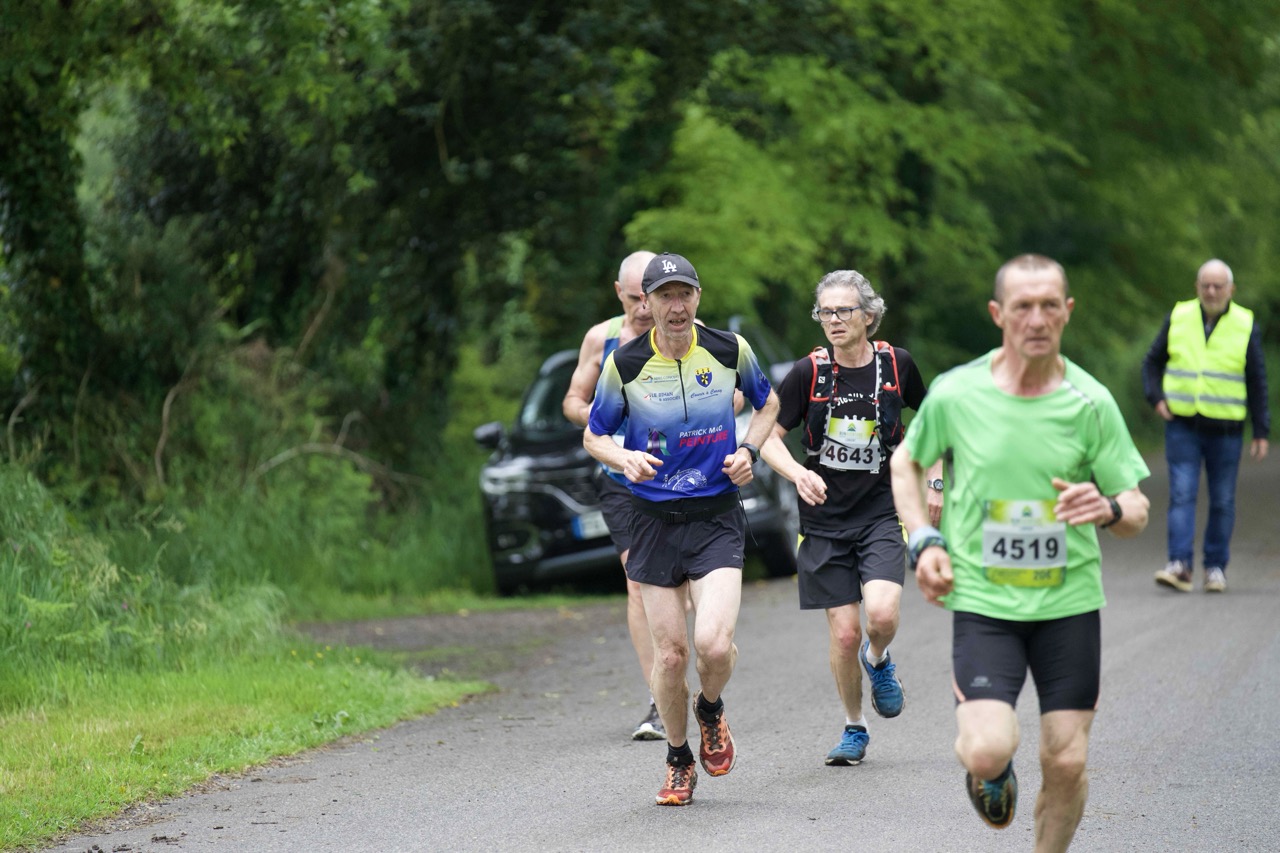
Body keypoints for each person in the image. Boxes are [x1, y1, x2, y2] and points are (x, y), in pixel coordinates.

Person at [889, 254, 1150, 850]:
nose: (1037, 319)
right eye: (1023, 306)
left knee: (1067, 761)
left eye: (1049, 305)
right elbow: (906, 463)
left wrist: (1108, 507)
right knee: (986, 749)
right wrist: (923, 538)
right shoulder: (957, 393)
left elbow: (1136, 508)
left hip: (1069, 604)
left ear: (1067, 311)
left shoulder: (1090, 402)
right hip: (986, 602)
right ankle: (990, 772)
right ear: (998, 314)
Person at [584, 252, 780, 807]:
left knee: (712, 645)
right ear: (645, 303)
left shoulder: (728, 349)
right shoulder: (624, 364)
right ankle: (677, 758)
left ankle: (710, 709)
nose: (676, 306)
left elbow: (768, 403)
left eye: (684, 293)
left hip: (715, 515)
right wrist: (623, 458)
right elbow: (594, 434)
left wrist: (749, 450)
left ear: (698, 297)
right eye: (664, 296)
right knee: (669, 657)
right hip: (651, 522)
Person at [759, 269, 942, 767]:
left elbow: (935, 424)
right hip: (823, 521)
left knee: (880, 616)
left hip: (881, 511)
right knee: (843, 634)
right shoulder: (808, 373)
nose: (834, 320)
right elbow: (767, 436)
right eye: (826, 312)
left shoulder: (897, 365)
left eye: (844, 310)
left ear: (869, 314)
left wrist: (935, 480)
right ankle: (854, 726)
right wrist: (798, 473)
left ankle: (877, 658)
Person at [563, 250, 667, 741]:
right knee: (638, 582)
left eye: (651, 297)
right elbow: (572, 400)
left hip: (680, 475)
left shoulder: (689, 331)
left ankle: (680, 671)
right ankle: (659, 699)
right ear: (618, 293)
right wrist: (602, 414)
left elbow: (734, 393)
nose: (645, 308)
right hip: (621, 479)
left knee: (679, 591)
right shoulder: (601, 339)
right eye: (634, 299)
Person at [1142, 259, 1270, 594]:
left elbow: (1256, 379)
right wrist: (1156, 397)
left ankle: (1215, 567)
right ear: (1197, 287)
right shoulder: (1179, 315)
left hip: (1226, 430)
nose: (1211, 292)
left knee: (1222, 500)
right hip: (1182, 424)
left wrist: (1261, 430)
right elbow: (1152, 362)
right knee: (1182, 493)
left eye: (1218, 286)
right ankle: (1179, 565)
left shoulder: (1245, 323)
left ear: (1231, 289)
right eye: (1205, 285)